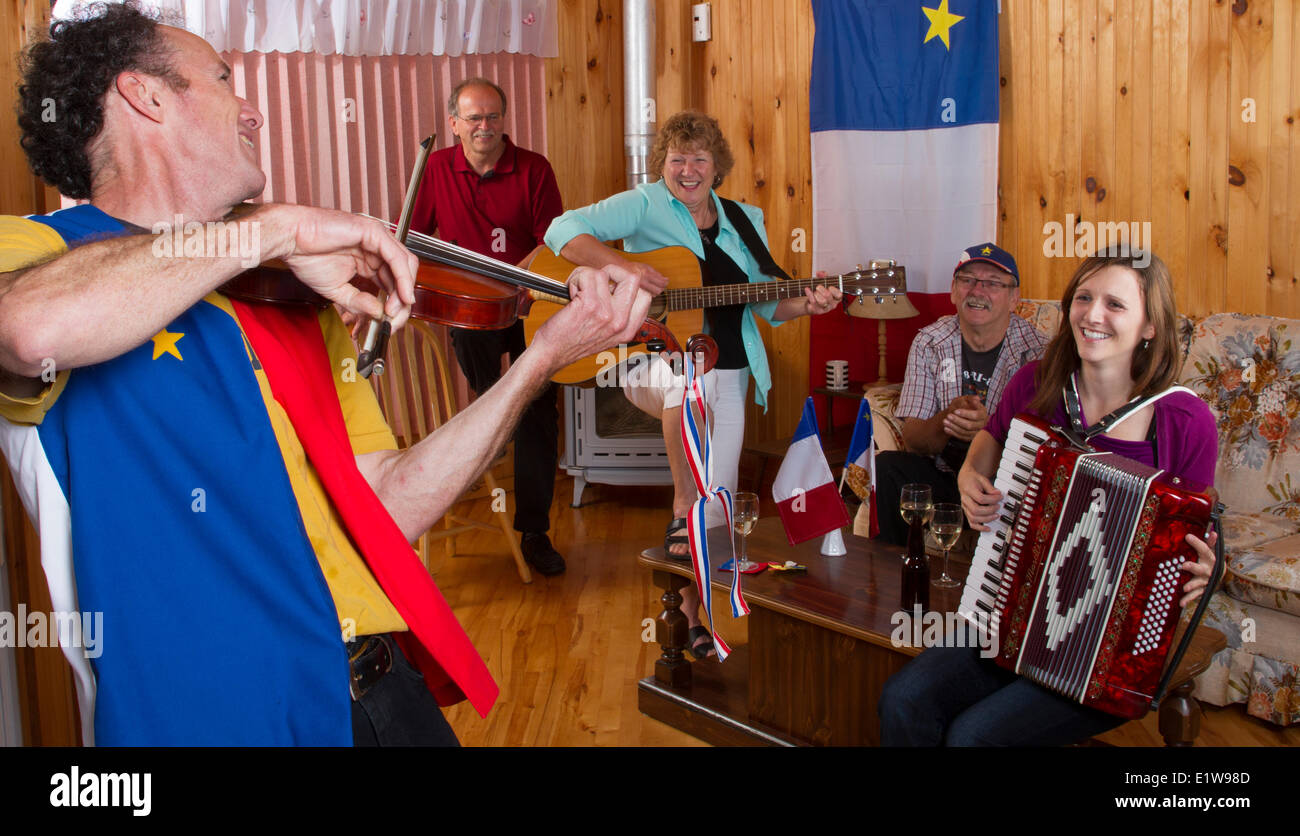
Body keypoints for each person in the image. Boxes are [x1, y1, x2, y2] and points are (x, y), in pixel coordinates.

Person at [0, 4, 651, 745]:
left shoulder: (283, 291)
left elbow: (388, 502)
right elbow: (28, 332)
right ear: (147, 96)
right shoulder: (32, 252)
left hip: (375, 692)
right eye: (223, 80)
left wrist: (542, 356)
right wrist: (275, 225)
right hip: (216, 714)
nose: (251, 111)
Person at [877, 250, 1221, 746]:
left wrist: (1207, 569)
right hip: (1009, 613)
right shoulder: (1037, 385)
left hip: (1105, 651)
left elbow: (1200, 537)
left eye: (1115, 304)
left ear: (1150, 325)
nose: (1092, 315)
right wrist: (971, 475)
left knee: (974, 737)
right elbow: (987, 443)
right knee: (902, 698)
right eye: (1083, 298)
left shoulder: (1185, 421)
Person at [544, 110, 841, 658]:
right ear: (663, 164)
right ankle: (682, 505)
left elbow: (770, 305)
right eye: (677, 158)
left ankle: (689, 622)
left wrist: (810, 303)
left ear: (716, 166)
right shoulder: (645, 203)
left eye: (699, 159)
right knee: (687, 385)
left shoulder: (744, 219)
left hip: (726, 369)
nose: (687, 169)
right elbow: (560, 230)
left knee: (719, 499)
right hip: (643, 359)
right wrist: (623, 268)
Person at [408, 77, 567, 576]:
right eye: (473, 118)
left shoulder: (534, 169)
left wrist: (518, 279)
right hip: (471, 310)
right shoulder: (434, 168)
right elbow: (413, 237)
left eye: (493, 116)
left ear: (504, 120)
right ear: (454, 123)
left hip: (528, 304)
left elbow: (555, 240)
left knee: (538, 408)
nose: (484, 127)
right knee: (491, 402)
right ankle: (472, 480)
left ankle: (535, 531)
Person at [875, 243, 1047, 546]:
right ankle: (897, 573)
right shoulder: (930, 342)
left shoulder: (1039, 353)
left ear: (1013, 299)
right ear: (954, 291)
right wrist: (946, 419)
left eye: (993, 283)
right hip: (945, 475)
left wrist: (989, 430)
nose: (977, 291)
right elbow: (914, 439)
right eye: (967, 280)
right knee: (888, 467)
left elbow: (1039, 449)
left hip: (1001, 482)